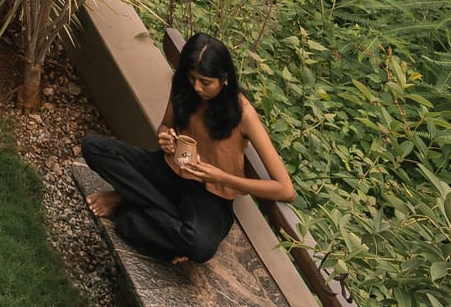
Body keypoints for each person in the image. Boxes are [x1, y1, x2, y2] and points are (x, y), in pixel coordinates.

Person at [83, 33, 295, 267]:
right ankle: (147, 217)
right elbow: (166, 125)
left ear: (224, 79)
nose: (197, 87)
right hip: (168, 170)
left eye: (205, 82)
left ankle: (128, 206)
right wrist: (165, 137)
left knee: (199, 245)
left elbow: (285, 189)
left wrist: (222, 177)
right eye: (192, 78)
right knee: (93, 147)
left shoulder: (243, 114)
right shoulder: (183, 86)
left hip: (209, 196)